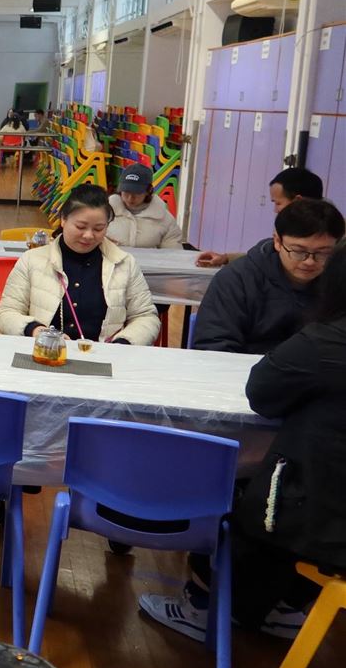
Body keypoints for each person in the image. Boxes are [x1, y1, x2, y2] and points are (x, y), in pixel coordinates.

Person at [140, 244, 346, 643]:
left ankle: (204, 608)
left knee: (236, 500)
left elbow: (262, 393)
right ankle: (288, 607)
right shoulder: (246, 281)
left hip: (322, 522)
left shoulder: (326, 342)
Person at [0, 183, 161, 345]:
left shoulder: (124, 264)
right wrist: (35, 330)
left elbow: (145, 317)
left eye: (98, 229)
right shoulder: (32, 260)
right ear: (63, 219)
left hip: (103, 357)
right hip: (43, 353)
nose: (88, 235)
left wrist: (123, 343)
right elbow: (7, 312)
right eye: (81, 227)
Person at [191, 198, 343, 354]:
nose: (309, 261)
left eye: (323, 253)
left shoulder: (339, 282)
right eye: (298, 251)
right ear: (277, 241)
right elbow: (214, 345)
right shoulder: (237, 279)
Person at [197, 167, 325, 267]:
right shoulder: (290, 229)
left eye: (278, 203)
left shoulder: (326, 234)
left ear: (297, 201)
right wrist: (225, 258)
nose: (275, 210)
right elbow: (264, 257)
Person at [105, 163, 183, 250]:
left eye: (137, 193)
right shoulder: (105, 212)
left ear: (148, 191)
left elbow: (173, 252)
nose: (130, 198)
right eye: (126, 192)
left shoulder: (165, 219)